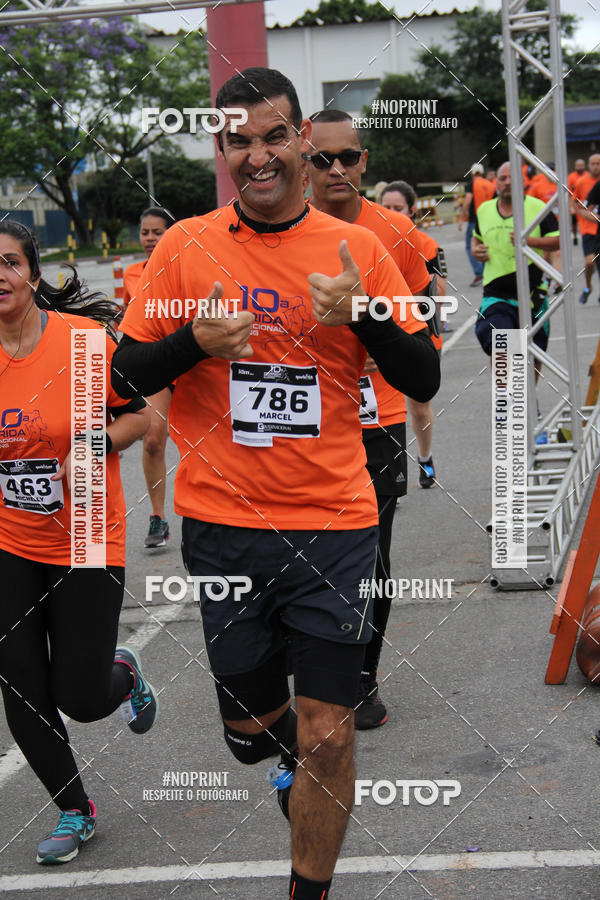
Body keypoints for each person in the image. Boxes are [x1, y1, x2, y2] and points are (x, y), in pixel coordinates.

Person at [112, 67, 440, 900]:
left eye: (273, 136)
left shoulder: (359, 248)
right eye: (238, 142)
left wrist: (361, 313)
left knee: (330, 735)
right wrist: (193, 343)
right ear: (222, 148)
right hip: (224, 527)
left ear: (302, 139)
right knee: (250, 732)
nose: (257, 156)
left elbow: (425, 374)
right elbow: (123, 372)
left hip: (335, 523)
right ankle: (284, 758)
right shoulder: (185, 245)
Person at [0, 220, 156, 865]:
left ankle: (124, 676)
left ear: (32, 274)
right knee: (20, 686)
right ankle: (75, 808)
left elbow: (143, 414)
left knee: (81, 697)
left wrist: (91, 447)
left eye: (7, 262)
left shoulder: (85, 344)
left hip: (87, 531)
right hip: (9, 538)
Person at [306, 110, 433, 730]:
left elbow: (416, 336)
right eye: (320, 158)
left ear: (365, 162)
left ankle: (361, 674)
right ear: (301, 164)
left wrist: (369, 317)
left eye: (347, 157)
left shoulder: (397, 233)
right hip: (299, 420)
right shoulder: (279, 227)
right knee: (299, 553)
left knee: (371, 557)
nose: (335, 169)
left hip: (374, 417)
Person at [380, 180, 447, 488]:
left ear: (411, 210)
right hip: (377, 334)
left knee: (418, 409)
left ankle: (426, 457)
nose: (391, 213)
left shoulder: (427, 244)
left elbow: (439, 293)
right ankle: (385, 472)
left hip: (417, 332)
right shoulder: (366, 239)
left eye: (398, 208)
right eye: (386, 208)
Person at [472, 161, 559, 375]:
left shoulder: (539, 207)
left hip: (532, 292)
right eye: (502, 178)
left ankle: (529, 404)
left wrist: (528, 241)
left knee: (534, 352)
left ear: (522, 182)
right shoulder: (484, 210)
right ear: (496, 182)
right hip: (496, 294)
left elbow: (558, 241)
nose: (507, 183)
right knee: (502, 342)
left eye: (512, 178)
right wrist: (476, 251)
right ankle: (508, 403)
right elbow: (476, 239)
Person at [123, 207, 173, 548]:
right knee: (153, 438)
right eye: (145, 232)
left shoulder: (186, 266)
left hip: (196, 361)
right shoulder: (130, 274)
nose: (151, 239)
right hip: (158, 365)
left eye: (158, 232)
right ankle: (158, 518)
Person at [569, 153, 600, 304]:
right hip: (588, 228)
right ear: (589, 165)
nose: (596, 166)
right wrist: (582, 214)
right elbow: (576, 203)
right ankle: (588, 287)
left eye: (598, 163)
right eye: (593, 163)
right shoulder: (582, 182)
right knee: (589, 262)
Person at [458, 163, 495, 287]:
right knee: (485, 245)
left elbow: (468, 200)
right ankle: (487, 272)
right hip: (489, 219)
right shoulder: (490, 185)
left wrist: (461, 216)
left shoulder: (471, 184)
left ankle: (479, 273)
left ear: (472, 173)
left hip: (475, 220)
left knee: (470, 246)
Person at [567, 158, 586, 246]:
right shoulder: (571, 177)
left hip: (585, 202)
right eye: (578, 166)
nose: (580, 167)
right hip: (575, 201)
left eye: (581, 165)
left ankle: (585, 235)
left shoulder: (587, 176)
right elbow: (569, 193)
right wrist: (571, 207)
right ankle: (575, 235)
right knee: (574, 221)